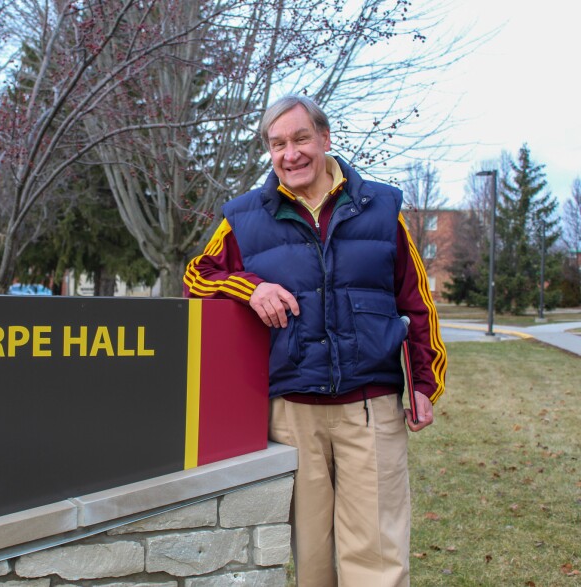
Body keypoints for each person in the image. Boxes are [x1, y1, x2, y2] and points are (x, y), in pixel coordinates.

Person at [183, 95, 446, 587]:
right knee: (312, 557)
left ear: (324, 140)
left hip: (370, 407)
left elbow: (417, 303)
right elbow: (196, 277)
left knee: (377, 554)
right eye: (278, 144)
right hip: (292, 412)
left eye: (301, 139)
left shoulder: (382, 207)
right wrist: (251, 287)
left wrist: (425, 383)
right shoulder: (243, 218)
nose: (291, 153)